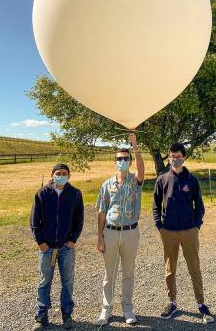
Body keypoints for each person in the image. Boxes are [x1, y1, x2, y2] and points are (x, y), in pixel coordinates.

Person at [153, 142, 214, 323]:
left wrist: (196, 226)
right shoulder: (162, 179)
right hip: (169, 231)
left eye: (178, 155)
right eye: (172, 155)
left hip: (189, 231)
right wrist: (159, 226)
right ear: (169, 157)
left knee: (194, 268)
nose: (175, 158)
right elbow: (156, 205)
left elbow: (199, 206)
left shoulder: (192, 180)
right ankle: (172, 303)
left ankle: (201, 305)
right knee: (170, 269)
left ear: (184, 157)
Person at [94, 133, 145, 325]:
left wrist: (135, 145)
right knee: (110, 274)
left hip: (131, 232)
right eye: (119, 159)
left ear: (129, 161)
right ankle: (106, 310)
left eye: (125, 158)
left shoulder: (135, 181)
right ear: (114, 161)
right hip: (110, 233)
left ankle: (128, 310)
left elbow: (142, 169)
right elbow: (101, 211)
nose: (122, 161)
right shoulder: (107, 185)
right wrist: (100, 237)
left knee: (128, 273)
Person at [30, 163, 84, 330]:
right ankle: (41, 315)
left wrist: (73, 239)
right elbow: (34, 221)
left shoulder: (75, 194)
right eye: (58, 173)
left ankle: (67, 314)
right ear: (52, 175)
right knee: (44, 281)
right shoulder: (42, 194)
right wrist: (40, 242)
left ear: (69, 176)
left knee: (67, 281)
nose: (61, 175)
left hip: (66, 248)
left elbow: (79, 220)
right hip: (47, 248)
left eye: (64, 173)